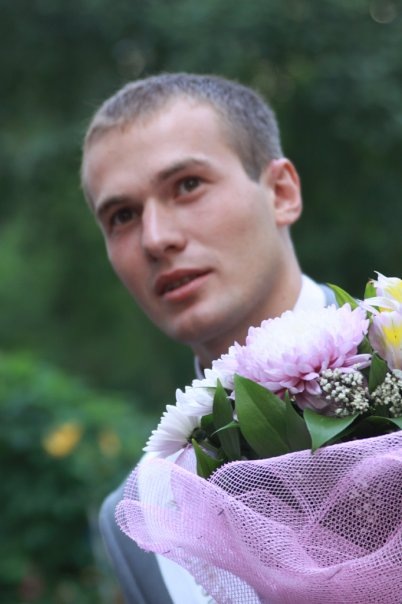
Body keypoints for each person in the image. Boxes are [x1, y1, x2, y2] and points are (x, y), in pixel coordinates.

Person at [80, 73, 335, 604]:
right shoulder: (139, 521)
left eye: (188, 185)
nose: (156, 239)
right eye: (122, 216)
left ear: (281, 193)